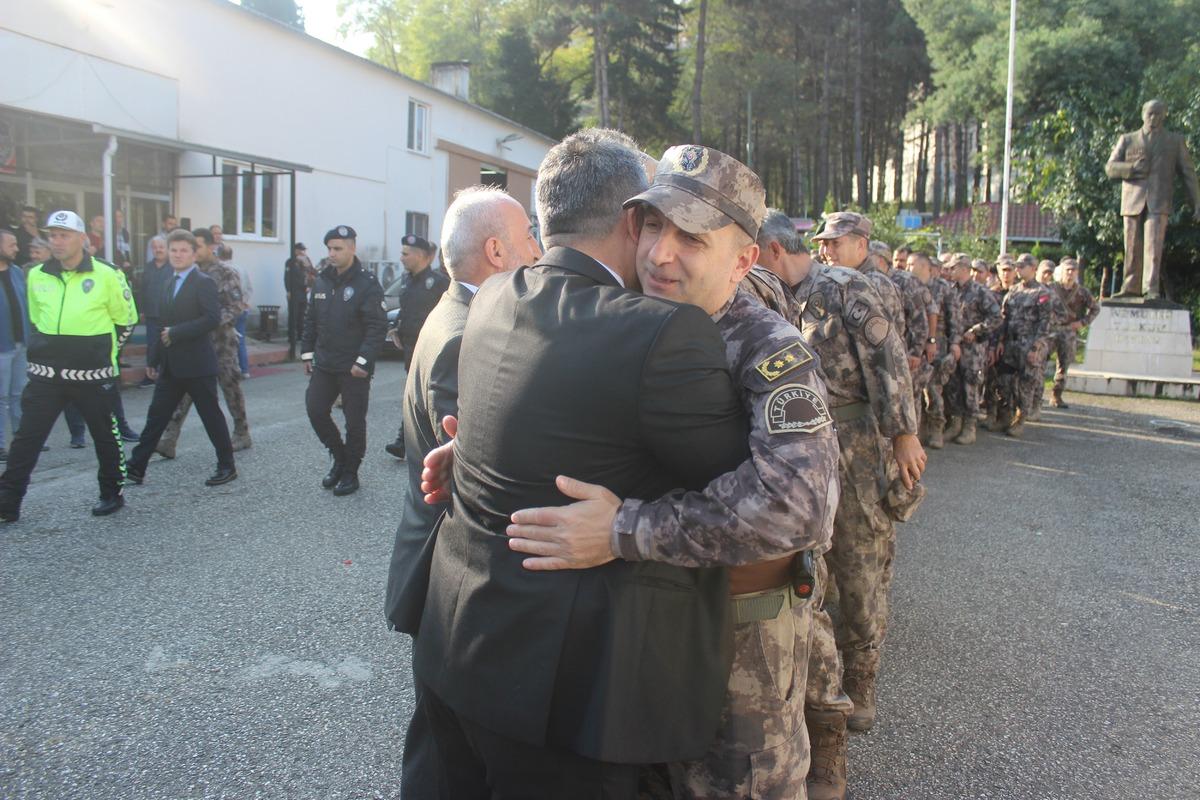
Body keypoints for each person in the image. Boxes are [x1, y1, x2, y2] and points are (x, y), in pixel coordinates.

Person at [410, 131, 756, 799]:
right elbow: (745, 489)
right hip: (567, 699)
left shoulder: (494, 295)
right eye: (656, 220)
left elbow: (551, 416)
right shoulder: (659, 333)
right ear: (633, 220)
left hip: (456, 644)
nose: (662, 246)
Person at [384, 185, 542, 796]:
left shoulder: (459, 313)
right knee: (448, 754)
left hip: (439, 566)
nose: (538, 245)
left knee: (440, 741)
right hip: (443, 572)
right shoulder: (463, 333)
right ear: (498, 251)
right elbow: (473, 470)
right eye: (529, 234)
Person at [0, 210, 138, 521]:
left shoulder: (107, 273)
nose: (57, 241)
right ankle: (7, 503)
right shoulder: (36, 274)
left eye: (64, 235)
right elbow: (37, 318)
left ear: (82, 239)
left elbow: (126, 320)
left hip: (93, 375)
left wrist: (103, 356)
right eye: (53, 235)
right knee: (27, 438)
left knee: (105, 435)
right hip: (46, 375)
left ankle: (111, 492)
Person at [125, 229, 237, 488]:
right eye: (173, 250)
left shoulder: (203, 282)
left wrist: (176, 333)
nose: (177, 255)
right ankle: (136, 466)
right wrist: (153, 359)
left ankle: (226, 465)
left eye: (183, 250)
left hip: (197, 364)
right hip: (171, 366)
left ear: (194, 253)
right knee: (156, 418)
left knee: (211, 417)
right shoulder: (167, 281)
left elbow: (211, 318)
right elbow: (160, 324)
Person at [301, 225, 387, 496]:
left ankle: (351, 472)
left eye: (338, 248)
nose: (332, 254)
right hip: (325, 363)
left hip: (353, 368)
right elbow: (310, 320)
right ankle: (339, 457)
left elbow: (376, 326)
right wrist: (307, 354)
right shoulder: (322, 280)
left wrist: (363, 361)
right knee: (315, 409)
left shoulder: (367, 283)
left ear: (352, 248)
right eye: (329, 249)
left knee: (354, 422)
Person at [153, 229, 251, 458]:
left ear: (210, 247)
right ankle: (169, 439)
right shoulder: (188, 274)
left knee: (230, 387)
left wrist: (208, 322)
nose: (193, 251)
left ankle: (241, 432)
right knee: (185, 390)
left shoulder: (226, 272)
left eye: (196, 246)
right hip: (193, 343)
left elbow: (235, 306)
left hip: (221, 343)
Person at [1105, 99, 1200, 299]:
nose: (1153, 117)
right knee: (1131, 245)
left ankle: (1151, 289)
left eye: (1158, 113)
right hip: (1132, 200)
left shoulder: (1174, 141)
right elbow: (1110, 168)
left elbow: (1188, 173)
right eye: (1150, 113)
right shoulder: (1128, 139)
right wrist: (1130, 169)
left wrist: (1197, 202)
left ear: (1164, 115)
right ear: (1142, 115)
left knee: (1154, 247)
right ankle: (1130, 287)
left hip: (1159, 201)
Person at [382, 233, 449, 460]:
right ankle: (407, 442)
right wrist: (395, 328)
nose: (401, 258)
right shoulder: (407, 281)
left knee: (427, 397)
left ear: (420, 256)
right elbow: (406, 310)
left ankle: (413, 442)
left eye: (405, 254)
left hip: (432, 350)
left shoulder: (439, 283)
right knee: (415, 396)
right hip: (411, 349)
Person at [994, 254, 1056, 437]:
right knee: (1005, 382)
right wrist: (1000, 342)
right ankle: (1006, 416)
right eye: (1017, 267)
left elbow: (1045, 323)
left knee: (1026, 384)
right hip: (1011, 344)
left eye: (1022, 267)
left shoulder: (1042, 293)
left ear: (1033, 268)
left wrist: (1036, 348)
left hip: (1029, 344)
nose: (1018, 270)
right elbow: (1004, 318)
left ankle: (1021, 419)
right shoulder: (1014, 291)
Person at [944, 254, 1002, 445]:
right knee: (953, 385)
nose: (950, 271)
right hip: (954, 345)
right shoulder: (950, 290)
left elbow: (996, 317)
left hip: (973, 348)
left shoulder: (980, 292)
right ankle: (955, 423)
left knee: (970, 385)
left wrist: (976, 330)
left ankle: (970, 427)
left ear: (964, 268)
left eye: (954, 268)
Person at [1049, 258, 1099, 408]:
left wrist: (1082, 323)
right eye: (1067, 270)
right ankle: (1035, 396)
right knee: (1039, 362)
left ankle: (1056, 395)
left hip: (1069, 331)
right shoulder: (1051, 288)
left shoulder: (1082, 292)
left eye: (1073, 270)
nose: (1070, 273)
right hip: (1050, 330)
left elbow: (1095, 308)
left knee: (1064, 364)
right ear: (1061, 271)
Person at [0, 230, 30, 461]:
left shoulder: (18, 273)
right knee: (1, 398)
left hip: (21, 345)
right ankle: (1, 445)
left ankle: (24, 441)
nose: (16, 249)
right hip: (2, 348)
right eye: (12, 245)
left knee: (19, 395)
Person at [139, 235, 171, 387]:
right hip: (152, 313)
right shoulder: (148, 267)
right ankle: (150, 376)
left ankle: (167, 376)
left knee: (169, 344)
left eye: (161, 247)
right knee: (152, 346)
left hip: (169, 314)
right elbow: (142, 289)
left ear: (167, 248)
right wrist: (142, 310)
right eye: (155, 247)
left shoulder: (173, 267)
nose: (158, 250)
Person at [225, 244, 252, 378]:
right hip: (242, 308)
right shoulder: (241, 269)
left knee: (225, 340)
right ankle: (244, 369)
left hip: (228, 310)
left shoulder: (221, 270)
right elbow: (248, 288)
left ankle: (230, 371)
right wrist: (244, 302)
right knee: (240, 339)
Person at [285, 242, 310, 358]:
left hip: (303, 292)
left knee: (302, 314)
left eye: (303, 250)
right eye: (300, 250)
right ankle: (292, 337)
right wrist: (288, 290)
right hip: (294, 292)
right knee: (293, 315)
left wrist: (309, 286)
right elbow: (287, 277)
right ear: (295, 250)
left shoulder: (306, 261)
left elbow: (310, 274)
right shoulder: (290, 262)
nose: (302, 252)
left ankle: (301, 336)